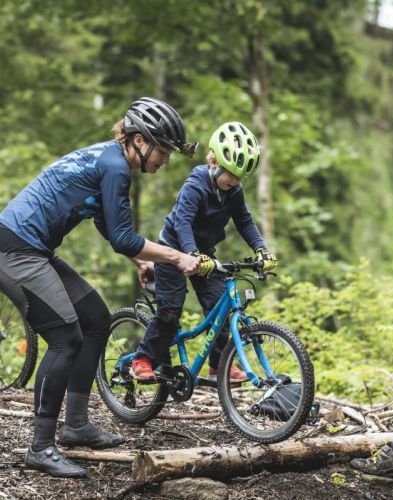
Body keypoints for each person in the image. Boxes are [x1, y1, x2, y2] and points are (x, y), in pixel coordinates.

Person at [0, 97, 200, 478]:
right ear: (138, 141)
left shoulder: (110, 160)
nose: (166, 160)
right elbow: (124, 236)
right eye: (163, 151)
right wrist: (174, 257)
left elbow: (106, 222)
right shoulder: (115, 167)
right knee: (64, 339)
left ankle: (75, 424)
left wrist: (141, 259)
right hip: (14, 249)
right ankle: (40, 447)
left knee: (95, 318)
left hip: (33, 249)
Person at [131, 121, 277, 382]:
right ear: (213, 161)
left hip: (204, 255)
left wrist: (261, 250)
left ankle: (219, 365)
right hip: (173, 251)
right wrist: (191, 253)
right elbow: (182, 222)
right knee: (170, 310)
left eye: (238, 178)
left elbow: (244, 220)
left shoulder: (234, 191)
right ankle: (143, 358)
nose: (233, 182)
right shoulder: (195, 186)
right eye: (230, 174)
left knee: (221, 306)